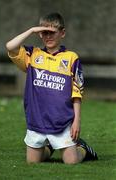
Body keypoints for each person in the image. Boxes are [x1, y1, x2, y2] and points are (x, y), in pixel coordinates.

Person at [6, 12, 98, 164]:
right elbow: (10, 46)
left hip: (61, 120)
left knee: (71, 162)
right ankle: (49, 147)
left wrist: (77, 121)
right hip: (37, 119)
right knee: (33, 162)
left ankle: (82, 148)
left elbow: (77, 93)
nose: (48, 37)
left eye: (52, 33)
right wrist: (31, 30)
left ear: (62, 33)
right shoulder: (32, 54)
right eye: (44, 33)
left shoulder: (71, 58)